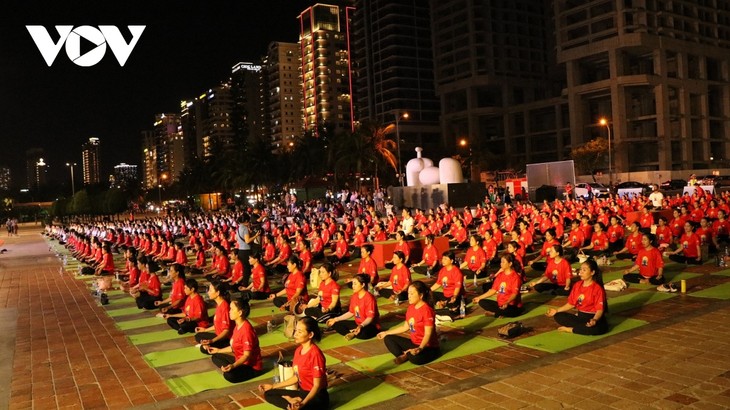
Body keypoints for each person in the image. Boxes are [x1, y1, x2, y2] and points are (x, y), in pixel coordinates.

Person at [259, 317, 329, 409]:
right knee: (269, 393)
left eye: (300, 332)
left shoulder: (315, 354)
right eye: (296, 330)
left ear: (310, 334)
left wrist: (303, 403)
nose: (295, 334)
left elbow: (317, 386)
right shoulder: (298, 350)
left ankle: (294, 404)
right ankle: (292, 405)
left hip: (317, 397)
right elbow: (297, 377)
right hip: (303, 392)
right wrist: (272, 386)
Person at [377, 281, 440, 365]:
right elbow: (405, 327)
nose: (409, 296)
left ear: (421, 295)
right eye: (408, 293)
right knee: (388, 339)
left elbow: (428, 334)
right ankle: (407, 354)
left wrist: (420, 348)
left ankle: (407, 355)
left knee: (415, 358)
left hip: (428, 347)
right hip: (414, 344)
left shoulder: (427, 310)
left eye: (412, 294)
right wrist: (386, 333)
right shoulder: (411, 308)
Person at [546, 258, 608, 335]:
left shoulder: (597, 288)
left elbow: (599, 310)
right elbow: (571, 304)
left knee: (598, 329)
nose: (581, 272)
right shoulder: (577, 285)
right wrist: (556, 310)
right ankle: (582, 328)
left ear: (592, 272)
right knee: (558, 316)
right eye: (580, 269)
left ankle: (573, 329)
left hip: (593, 317)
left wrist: (594, 320)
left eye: (584, 270)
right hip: (580, 316)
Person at [206, 299, 263, 383]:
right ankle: (228, 368)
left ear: (240, 313)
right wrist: (218, 350)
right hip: (239, 360)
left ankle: (230, 369)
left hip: (250, 366)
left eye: (232, 309)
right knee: (216, 356)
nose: (229, 311)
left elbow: (246, 356)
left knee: (229, 376)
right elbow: (234, 347)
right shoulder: (237, 326)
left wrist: (233, 366)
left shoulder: (246, 331)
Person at [326, 274, 380, 341]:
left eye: (355, 284)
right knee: (335, 324)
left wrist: (361, 326)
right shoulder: (354, 296)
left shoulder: (369, 298)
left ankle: (353, 333)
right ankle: (352, 333)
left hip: (369, 326)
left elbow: (370, 318)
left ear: (362, 285)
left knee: (363, 332)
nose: (352, 286)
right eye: (352, 284)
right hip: (357, 323)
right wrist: (336, 319)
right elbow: (351, 312)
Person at [472, 253, 523, 318]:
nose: (501, 264)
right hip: (500, 304)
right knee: (482, 302)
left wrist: (507, 302)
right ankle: (499, 313)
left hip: (511, 306)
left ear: (510, 264)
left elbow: (514, 294)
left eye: (503, 262)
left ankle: (496, 313)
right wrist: (479, 297)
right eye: (501, 262)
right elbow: (493, 290)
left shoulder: (515, 277)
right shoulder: (500, 275)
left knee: (508, 311)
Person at [196, 281, 233, 353]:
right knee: (198, 335)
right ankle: (208, 345)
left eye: (210, 290)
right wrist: (205, 330)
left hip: (226, 339)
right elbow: (217, 325)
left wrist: (212, 340)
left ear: (218, 293)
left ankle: (210, 346)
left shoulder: (224, 307)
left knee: (203, 349)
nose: (208, 292)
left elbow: (226, 331)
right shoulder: (219, 304)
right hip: (218, 335)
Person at [430, 251, 464, 318]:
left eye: (445, 259)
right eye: (443, 258)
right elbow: (438, 283)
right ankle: (441, 303)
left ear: (451, 261)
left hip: (454, 295)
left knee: (454, 310)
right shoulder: (442, 270)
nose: (443, 260)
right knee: (430, 294)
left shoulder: (456, 272)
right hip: (445, 295)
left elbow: (458, 287)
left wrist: (454, 296)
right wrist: (427, 290)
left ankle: (446, 305)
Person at [236, 214, 259, 287]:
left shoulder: (239, 228)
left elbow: (236, 239)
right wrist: (255, 236)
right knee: (247, 270)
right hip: (246, 251)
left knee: (245, 268)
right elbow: (247, 241)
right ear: (246, 221)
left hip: (240, 250)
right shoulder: (245, 228)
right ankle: (245, 285)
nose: (249, 222)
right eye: (248, 221)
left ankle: (243, 283)